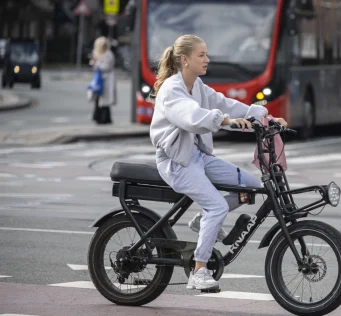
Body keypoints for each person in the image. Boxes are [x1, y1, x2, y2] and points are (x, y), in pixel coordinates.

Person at [149, 34, 287, 291]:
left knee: (249, 185)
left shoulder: (198, 86)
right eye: (201, 55)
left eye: (206, 54)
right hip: (177, 162)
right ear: (184, 60)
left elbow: (224, 103)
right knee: (217, 208)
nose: (207, 60)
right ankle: (199, 271)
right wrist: (224, 120)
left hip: (197, 157)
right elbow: (190, 116)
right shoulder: (171, 89)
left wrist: (263, 115)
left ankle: (202, 221)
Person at [89, 36, 116, 124]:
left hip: (105, 80)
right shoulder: (102, 54)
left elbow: (106, 67)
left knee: (103, 101)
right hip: (101, 80)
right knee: (100, 100)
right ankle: (103, 118)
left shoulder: (108, 54)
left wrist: (96, 65)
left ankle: (102, 119)